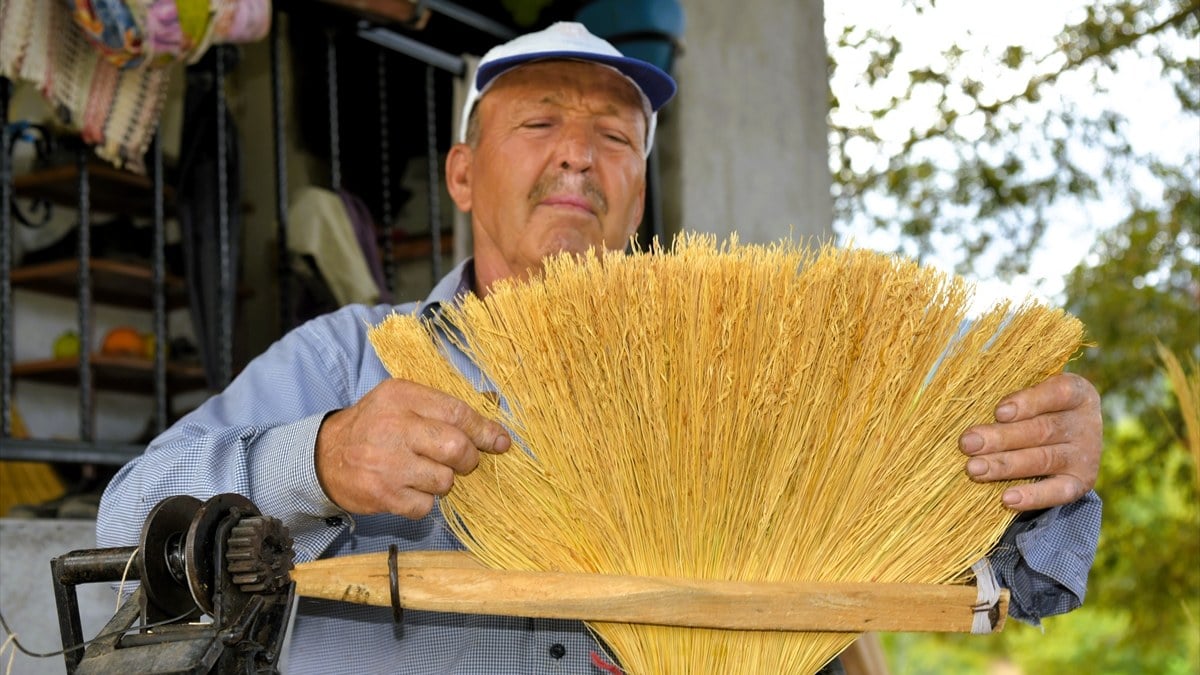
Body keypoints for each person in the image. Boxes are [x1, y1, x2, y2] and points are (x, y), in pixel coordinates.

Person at [97, 21, 1103, 674]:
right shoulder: (355, 360)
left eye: (616, 137)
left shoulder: (738, 382)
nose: (581, 152)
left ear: (638, 187)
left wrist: (1044, 475)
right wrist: (318, 458)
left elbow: (998, 574)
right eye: (541, 121)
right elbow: (126, 519)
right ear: (460, 172)